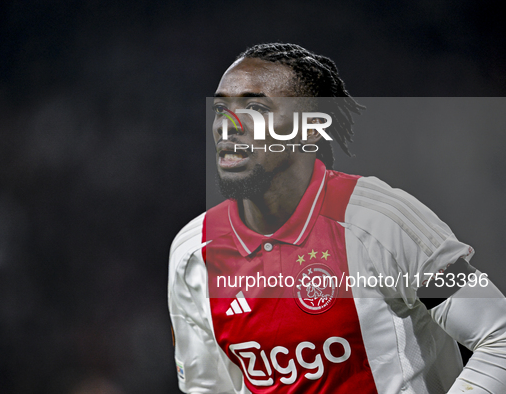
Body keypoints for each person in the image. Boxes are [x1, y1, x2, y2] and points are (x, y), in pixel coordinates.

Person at [168, 43, 506, 393]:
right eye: (221, 108)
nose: (228, 125)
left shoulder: (382, 224)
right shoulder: (193, 252)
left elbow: (499, 337)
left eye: (255, 107)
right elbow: (207, 387)